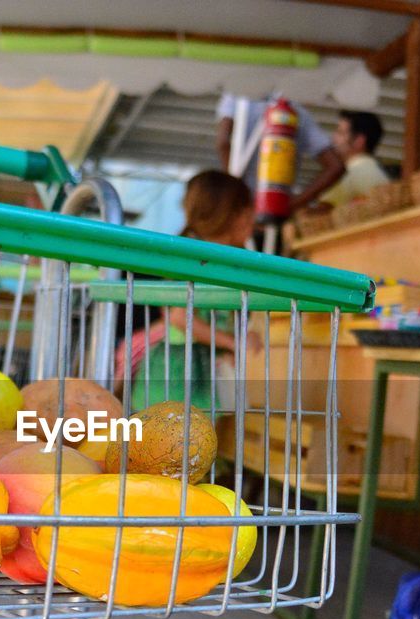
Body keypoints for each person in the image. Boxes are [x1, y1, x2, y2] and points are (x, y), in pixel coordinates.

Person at [116, 170, 264, 410]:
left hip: (200, 368)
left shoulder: (228, 261)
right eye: (249, 211)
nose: (253, 219)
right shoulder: (192, 256)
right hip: (177, 369)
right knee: (174, 437)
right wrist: (233, 343)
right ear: (234, 215)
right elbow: (179, 317)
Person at [215, 94, 345, 214]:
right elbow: (335, 166)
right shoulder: (297, 113)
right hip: (274, 209)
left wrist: (234, 192)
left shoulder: (237, 97)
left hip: (238, 206)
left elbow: (222, 143)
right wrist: (292, 204)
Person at [319, 111, 391, 208]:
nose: (333, 138)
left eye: (340, 133)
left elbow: (322, 211)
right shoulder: (376, 173)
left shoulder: (352, 172)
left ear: (359, 141)